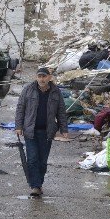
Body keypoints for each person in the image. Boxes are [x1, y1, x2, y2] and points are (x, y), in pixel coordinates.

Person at [15, 67, 69, 197]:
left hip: (47, 132)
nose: (41, 79)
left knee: (42, 161)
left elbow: (61, 111)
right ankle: (35, 186)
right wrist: (19, 126)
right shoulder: (28, 90)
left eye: (44, 76)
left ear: (49, 77)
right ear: (36, 77)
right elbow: (20, 108)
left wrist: (64, 129)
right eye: (39, 76)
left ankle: (39, 183)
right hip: (30, 131)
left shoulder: (56, 92)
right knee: (32, 159)